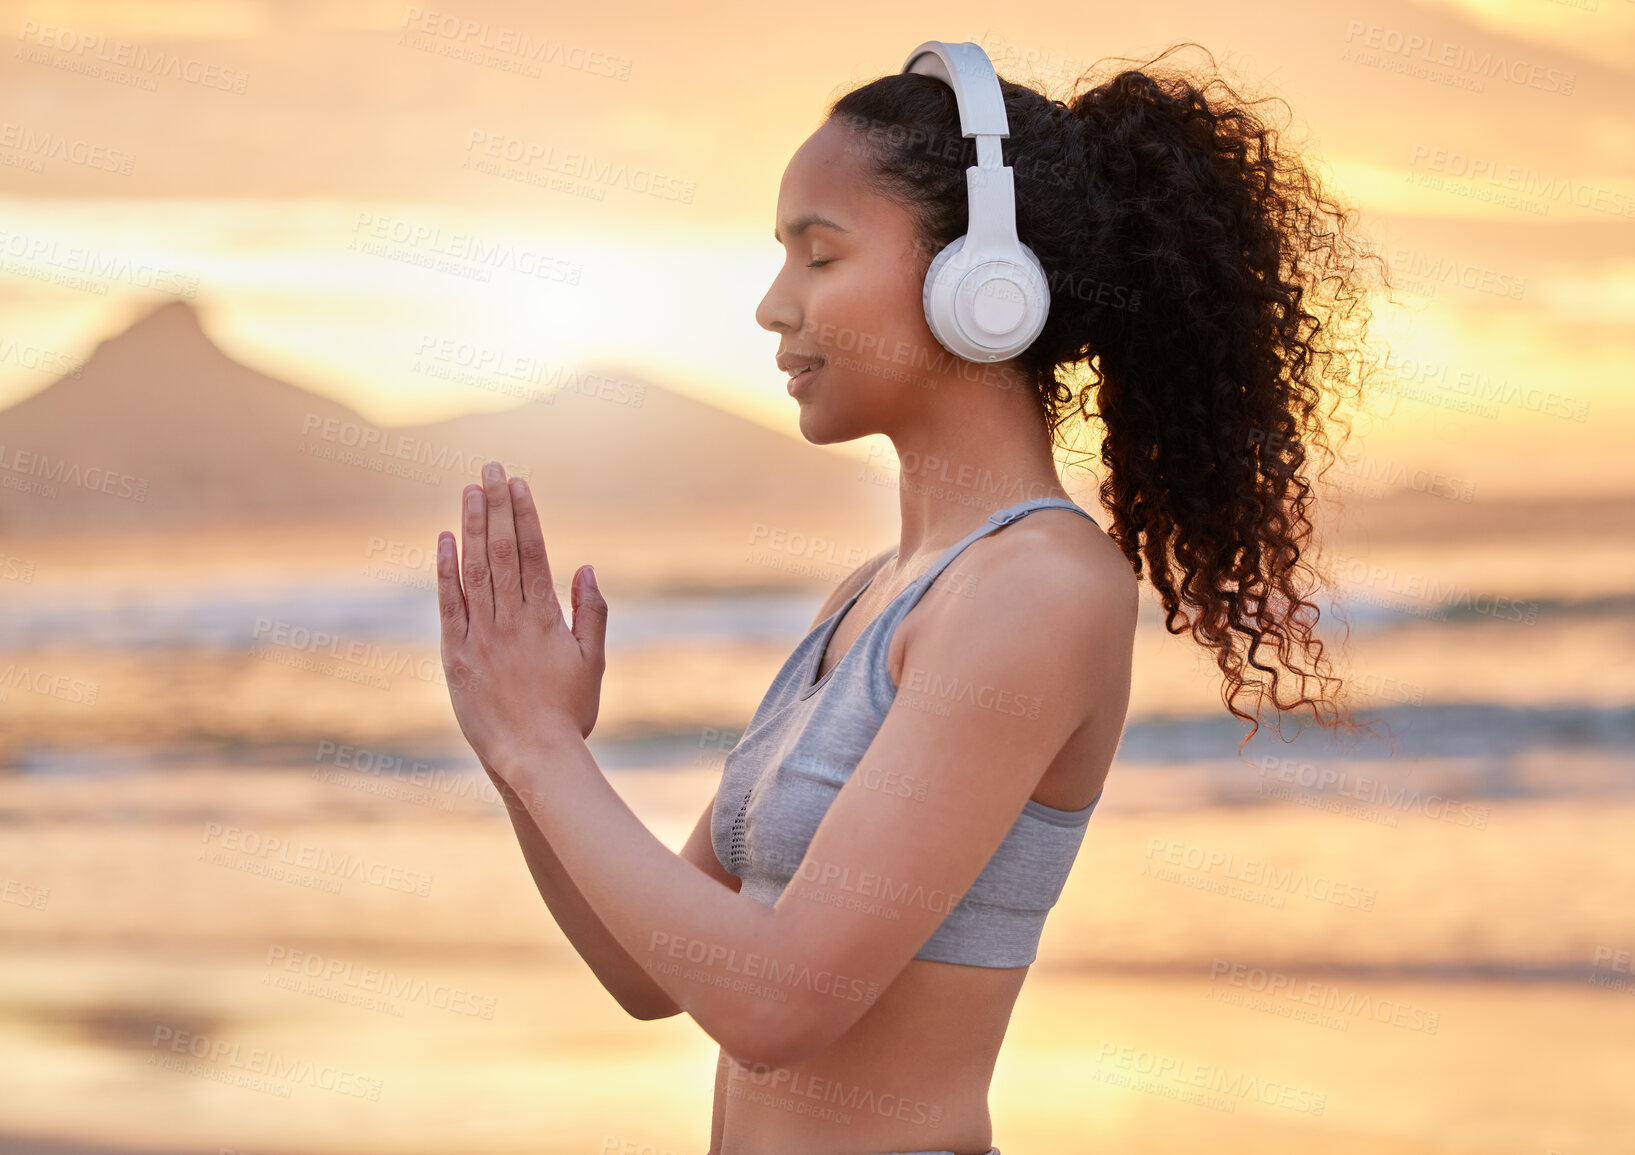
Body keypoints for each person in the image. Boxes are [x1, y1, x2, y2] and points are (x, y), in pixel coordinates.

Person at [436, 41, 1389, 1155]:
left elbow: (778, 1007)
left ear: (979, 282)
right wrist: (521, 748)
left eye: (819, 255)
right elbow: (648, 977)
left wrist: (546, 751)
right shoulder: (871, 597)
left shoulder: (1039, 589)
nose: (772, 306)